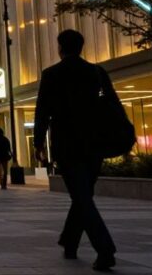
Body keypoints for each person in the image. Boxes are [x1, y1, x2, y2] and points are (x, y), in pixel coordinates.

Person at [34, 29, 118, 272]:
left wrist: (38, 143)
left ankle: (105, 249)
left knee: (81, 196)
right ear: (81, 47)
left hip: (67, 144)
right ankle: (70, 241)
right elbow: (111, 104)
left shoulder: (52, 74)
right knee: (83, 194)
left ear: (60, 47)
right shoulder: (96, 72)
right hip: (94, 143)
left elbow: (43, 111)